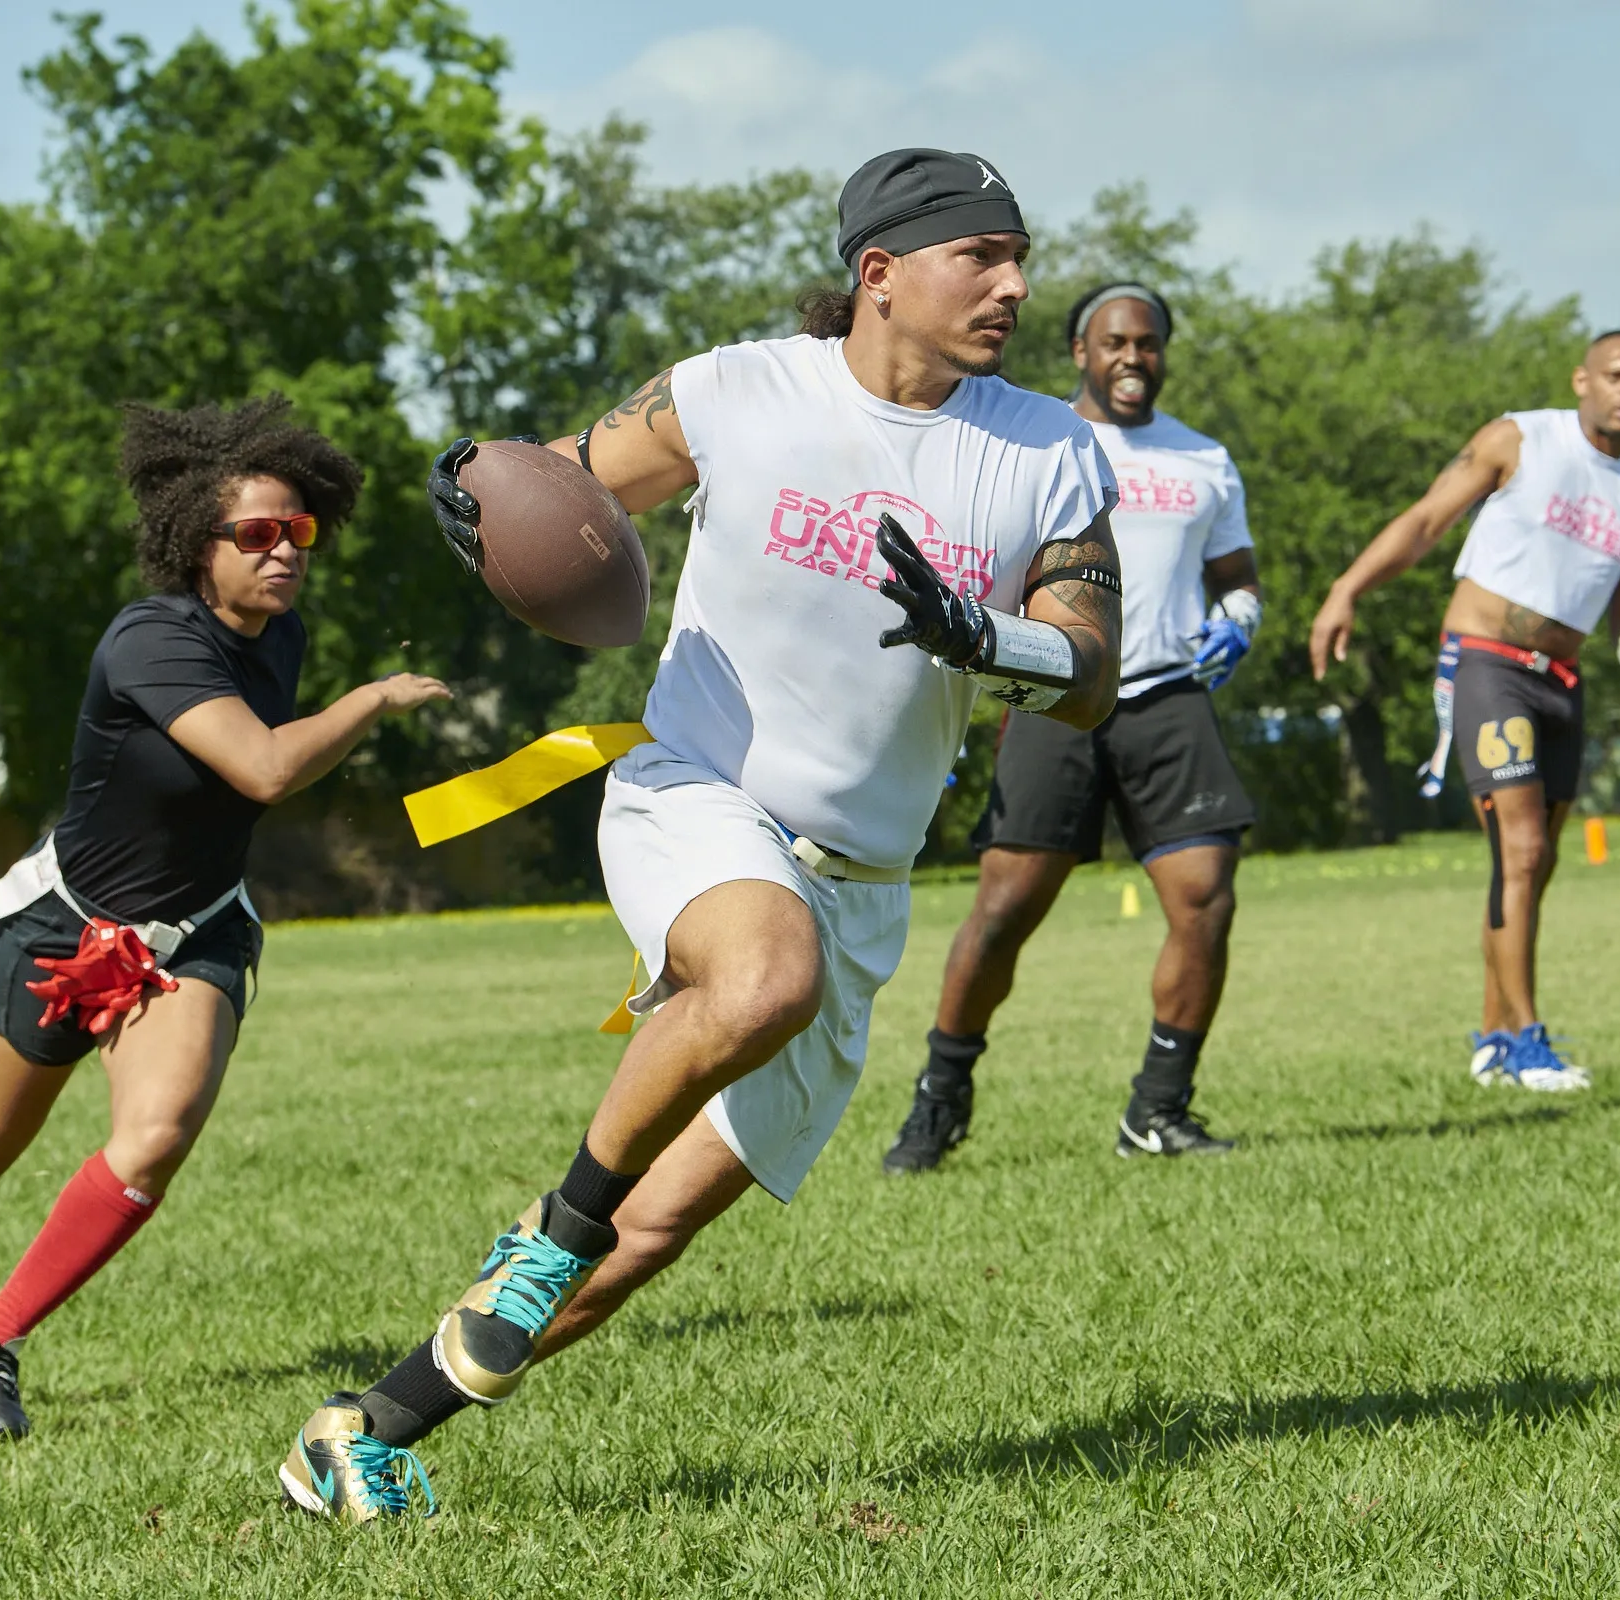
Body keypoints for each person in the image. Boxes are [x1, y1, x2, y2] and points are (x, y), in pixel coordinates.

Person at [280, 147, 1123, 1521]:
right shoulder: (739, 388)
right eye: (984, 256)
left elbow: (1091, 667)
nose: (1017, 285)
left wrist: (993, 636)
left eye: (1020, 255)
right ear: (880, 273)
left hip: (866, 884)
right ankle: (552, 1226)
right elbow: (566, 487)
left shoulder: (1047, 448)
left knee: (661, 1221)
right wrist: (476, 494)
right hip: (700, 799)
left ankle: (361, 1430)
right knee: (759, 976)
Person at [0, 397, 449, 1438]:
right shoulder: (149, 640)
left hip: (193, 936)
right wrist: (373, 701)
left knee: (153, 1138)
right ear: (192, 544)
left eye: (297, 530)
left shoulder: (279, 635)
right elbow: (259, 767)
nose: (283, 551)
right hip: (63, 932)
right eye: (254, 534)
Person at [883, 282, 1262, 1172]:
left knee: (1207, 899)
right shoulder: (1034, 437)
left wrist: (1240, 616)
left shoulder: (1205, 458)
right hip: (1051, 691)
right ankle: (941, 1097)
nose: (1135, 357)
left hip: (1168, 695)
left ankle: (1158, 1110)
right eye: (1115, 342)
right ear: (1080, 353)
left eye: (1150, 343)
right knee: (1006, 911)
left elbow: (1237, 574)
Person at [1308, 331, 1620, 1091]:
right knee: (1519, 854)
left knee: (1532, 866)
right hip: (1486, 664)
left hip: (1562, 682)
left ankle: (1493, 1036)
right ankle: (1526, 1040)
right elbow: (1424, 524)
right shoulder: (1521, 437)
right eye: (1616, 375)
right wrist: (1348, 589)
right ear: (1583, 379)